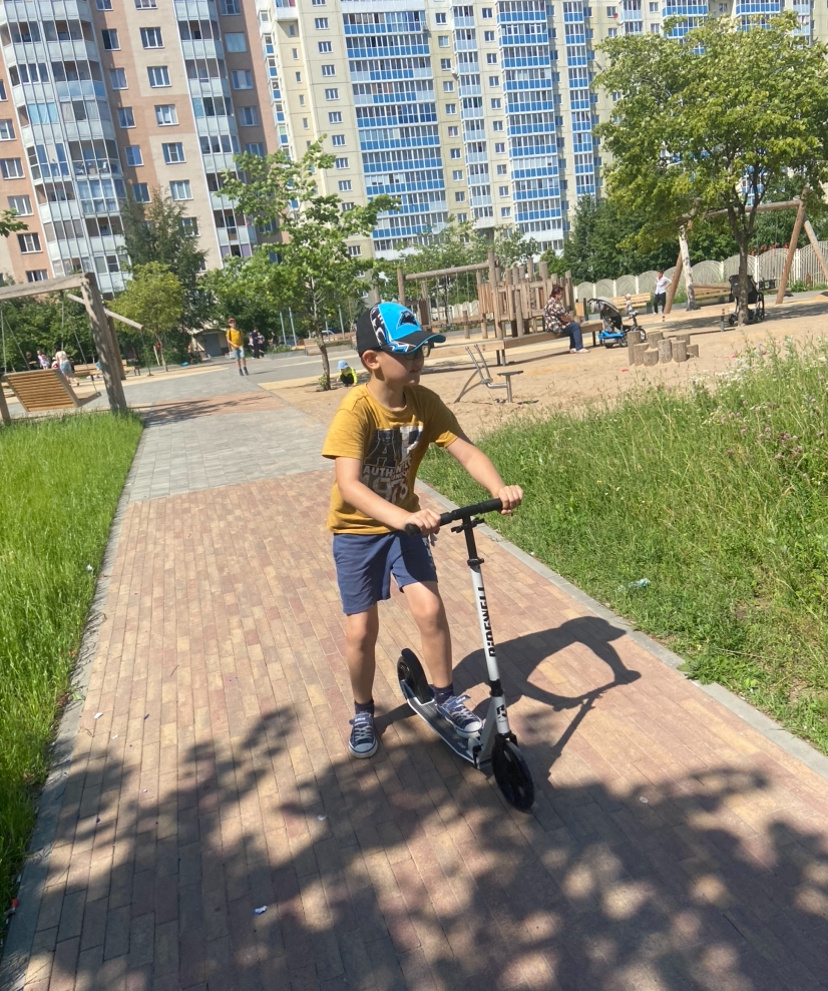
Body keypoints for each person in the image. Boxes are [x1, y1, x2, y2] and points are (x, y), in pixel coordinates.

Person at [322, 302, 523, 759]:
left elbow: (465, 450)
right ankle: (362, 711)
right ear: (372, 359)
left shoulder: (425, 402)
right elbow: (349, 485)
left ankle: (446, 696)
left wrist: (499, 487)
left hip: (405, 528)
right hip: (357, 532)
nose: (418, 360)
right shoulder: (356, 410)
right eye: (407, 352)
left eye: (422, 351)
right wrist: (403, 518)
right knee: (361, 630)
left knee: (430, 609)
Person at [543, 285, 588, 353]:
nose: (562, 296)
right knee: (575, 326)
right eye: (561, 294)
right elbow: (563, 317)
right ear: (556, 294)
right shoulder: (555, 304)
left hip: (549, 326)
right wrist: (572, 320)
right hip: (556, 327)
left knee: (571, 326)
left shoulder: (548, 302)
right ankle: (579, 347)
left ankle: (573, 348)